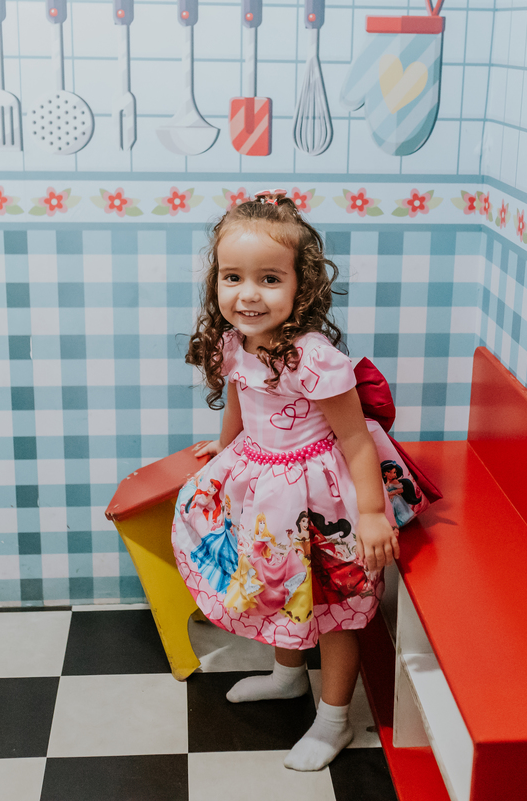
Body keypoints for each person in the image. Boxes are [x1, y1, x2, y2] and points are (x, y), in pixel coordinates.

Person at [173, 189, 408, 772]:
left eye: (269, 279)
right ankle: (287, 677)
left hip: (317, 496)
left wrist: (373, 513)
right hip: (260, 484)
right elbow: (237, 395)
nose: (247, 294)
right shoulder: (235, 340)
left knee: (331, 607)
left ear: (303, 286)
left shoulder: (313, 356)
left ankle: (335, 721)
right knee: (274, 584)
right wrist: (227, 446)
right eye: (233, 277)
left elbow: (355, 438)